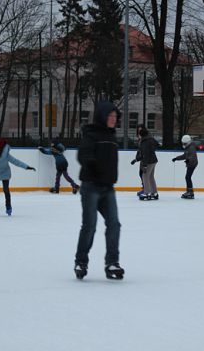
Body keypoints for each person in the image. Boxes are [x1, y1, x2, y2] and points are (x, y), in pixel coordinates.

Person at [74, 101, 124, 280]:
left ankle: (112, 263)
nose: (113, 119)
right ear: (102, 117)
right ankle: (81, 261)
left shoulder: (112, 136)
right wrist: (92, 164)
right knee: (90, 226)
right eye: (110, 116)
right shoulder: (91, 134)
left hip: (108, 188)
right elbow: (83, 155)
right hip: (91, 187)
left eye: (115, 116)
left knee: (114, 224)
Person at [131, 127, 159, 200]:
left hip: (149, 161)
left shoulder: (144, 142)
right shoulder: (150, 139)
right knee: (150, 176)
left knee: (145, 176)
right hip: (154, 160)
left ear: (141, 135)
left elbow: (145, 155)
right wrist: (136, 159)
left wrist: (145, 165)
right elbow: (157, 144)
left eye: (139, 134)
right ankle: (154, 193)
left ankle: (147, 193)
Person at [172, 134, 198, 199]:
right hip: (190, 163)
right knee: (187, 177)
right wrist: (176, 158)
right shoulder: (188, 147)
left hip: (192, 164)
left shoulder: (191, 147)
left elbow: (193, 156)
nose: (184, 144)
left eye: (185, 143)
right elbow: (184, 156)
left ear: (188, 142)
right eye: (183, 143)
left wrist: (188, 160)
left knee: (187, 177)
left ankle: (190, 192)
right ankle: (189, 191)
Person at [133, 123, 146, 196]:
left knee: (143, 173)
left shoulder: (144, 138)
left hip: (145, 158)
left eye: (140, 129)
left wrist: (137, 158)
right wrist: (136, 158)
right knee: (141, 173)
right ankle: (145, 188)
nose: (139, 131)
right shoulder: (140, 138)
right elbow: (139, 150)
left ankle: (146, 188)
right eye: (138, 130)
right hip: (142, 158)